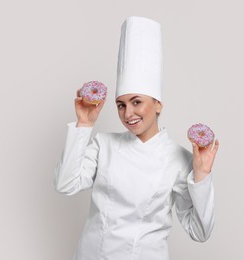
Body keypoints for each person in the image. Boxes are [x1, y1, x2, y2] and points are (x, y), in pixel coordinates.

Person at [53, 16, 220, 260]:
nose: (127, 113)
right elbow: (64, 184)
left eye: (136, 102)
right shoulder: (104, 144)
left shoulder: (179, 159)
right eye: (121, 105)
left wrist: (202, 176)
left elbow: (200, 231)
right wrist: (85, 124)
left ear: (158, 104)